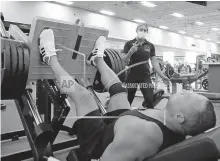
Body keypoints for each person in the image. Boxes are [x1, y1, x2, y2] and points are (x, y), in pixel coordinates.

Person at [39, 29, 216, 161]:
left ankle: (49, 58)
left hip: (98, 146)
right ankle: (97, 59)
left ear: (180, 117)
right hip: (118, 127)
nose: (185, 91)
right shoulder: (169, 121)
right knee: (119, 90)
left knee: (82, 95)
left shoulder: (144, 134)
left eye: (187, 96)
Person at [122, 23, 169, 108]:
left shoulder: (150, 45)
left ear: (147, 32)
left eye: (145, 30)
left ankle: (148, 111)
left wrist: (162, 76)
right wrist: (130, 52)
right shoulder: (129, 44)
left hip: (145, 76)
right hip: (132, 75)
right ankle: (124, 116)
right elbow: (122, 60)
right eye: (141, 29)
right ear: (137, 31)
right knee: (128, 99)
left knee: (150, 99)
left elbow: (154, 62)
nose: (143, 31)